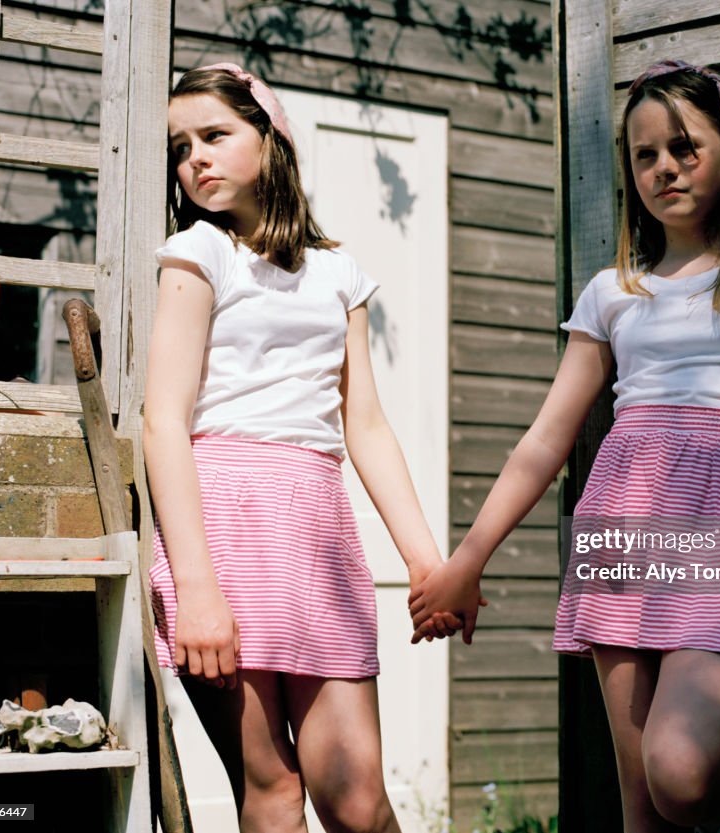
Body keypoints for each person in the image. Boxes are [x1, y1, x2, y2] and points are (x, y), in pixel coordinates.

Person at [408, 60, 720, 832]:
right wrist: (467, 559)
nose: (664, 168)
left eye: (684, 146)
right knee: (643, 810)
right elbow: (545, 440)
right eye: (645, 155)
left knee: (682, 773)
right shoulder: (614, 290)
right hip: (626, 519)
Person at [144, 63, 460, 833]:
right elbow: (163, 420)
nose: (197, 158)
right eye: (181, 146)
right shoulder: (198, 254)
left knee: (357, 802)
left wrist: (427, 560)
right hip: (219, 532)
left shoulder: (337, 275)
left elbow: (368, 427)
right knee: (274, 792)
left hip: (315, 531)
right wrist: (198, 588)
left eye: (216, 135)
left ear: (272, 138)